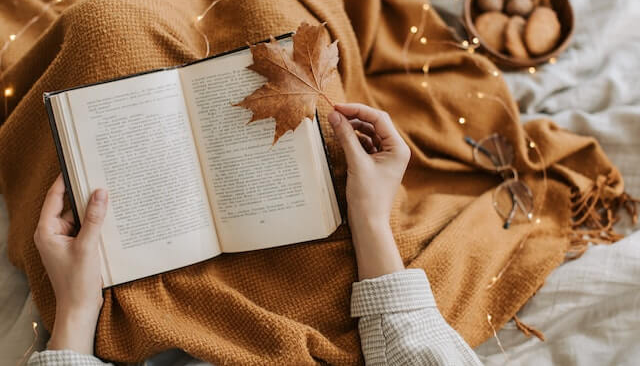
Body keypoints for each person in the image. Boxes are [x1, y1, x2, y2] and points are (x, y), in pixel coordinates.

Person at [29, 103, 482, 365]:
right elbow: (417, 352)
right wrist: (369, 219)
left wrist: (75, 309)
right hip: (343, 268)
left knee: (104, 24)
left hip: (164, 299)